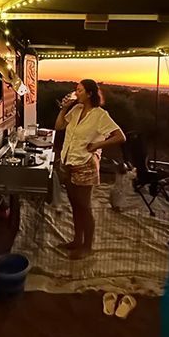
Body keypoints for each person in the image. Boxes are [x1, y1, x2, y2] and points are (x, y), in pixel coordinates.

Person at [55, 80, 125, 258]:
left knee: (84, 206)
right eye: (76, 90)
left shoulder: (100, 115)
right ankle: (77, 240)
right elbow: (59, 127)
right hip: (68, 161)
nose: (76, 93)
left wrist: (98, 145)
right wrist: (64, 108)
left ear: (90, 94)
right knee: (74, 204)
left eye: (79, 90)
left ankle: (87, 247)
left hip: (85, 163)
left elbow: (120, 136)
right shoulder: (76, 110)